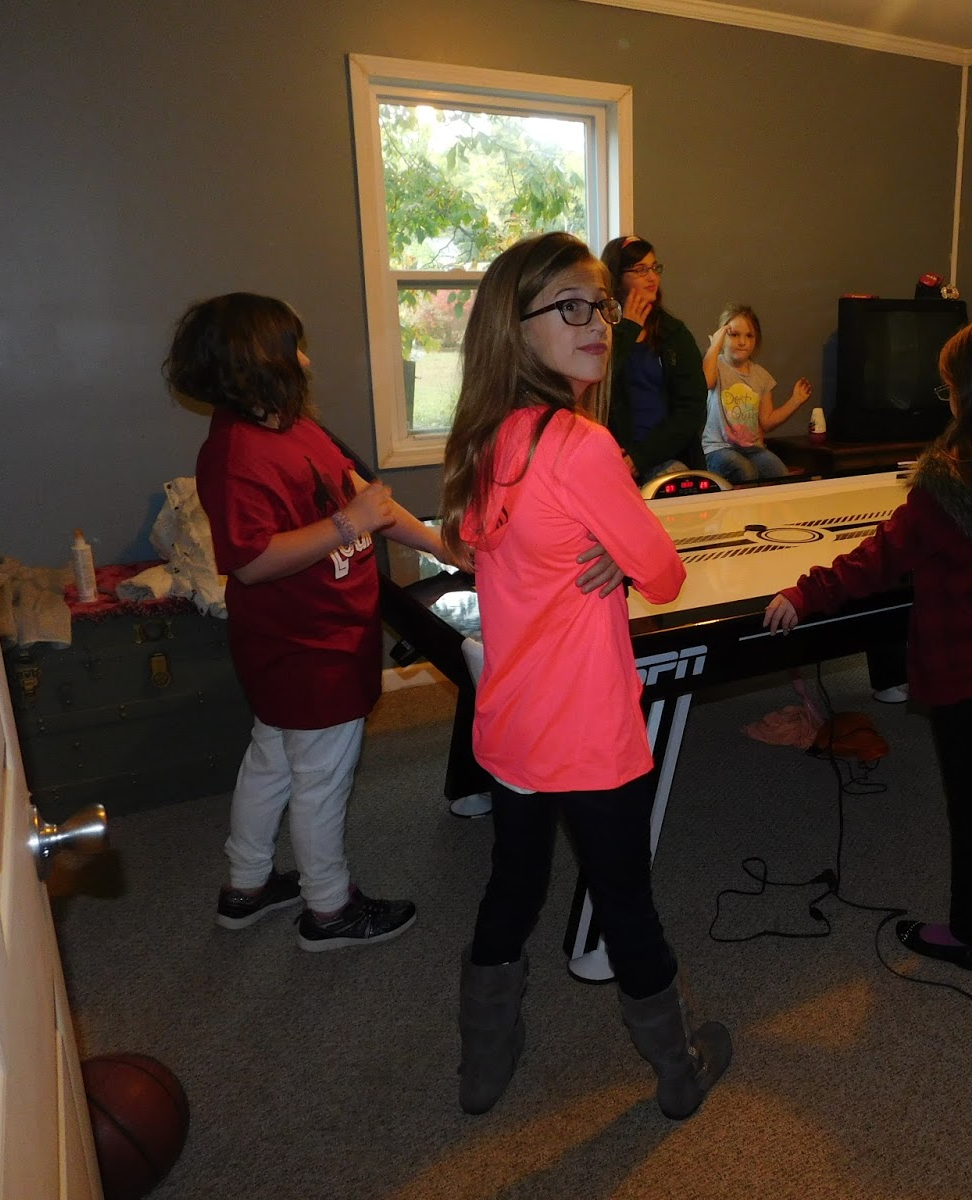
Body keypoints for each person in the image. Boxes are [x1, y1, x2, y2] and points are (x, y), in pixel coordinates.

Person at [439, 231, 731, 1119]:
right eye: (571, 306)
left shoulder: (484, 438)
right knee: (626, 903)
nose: (599, 321)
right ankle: (677, 1070)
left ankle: (482, 1065)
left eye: (600, 304)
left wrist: (604, 542)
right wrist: (621, 545)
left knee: (513, 886)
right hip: (590, 731)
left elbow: (481, 544)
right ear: (517, 326)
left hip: (512, 722)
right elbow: (666, 574)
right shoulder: (581, 444)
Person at [764, 318, 972, 972]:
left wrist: (805, 592)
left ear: (970, 391)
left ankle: (967, 934)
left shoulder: (950, 482)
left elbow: (878, 560)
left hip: (971, 668)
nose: (948, 398)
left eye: (949, 386)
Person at [166, 292, 441, 950]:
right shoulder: (235, 453)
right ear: (258, 361)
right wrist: (348, 524)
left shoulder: (294, 427)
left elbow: (367, 499)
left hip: (320, 637)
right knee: (320, 780)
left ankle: (247, 885)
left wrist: (442, 545)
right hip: (306, 647)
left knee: (272, 762)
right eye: (296, 348)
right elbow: (252, 561)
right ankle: (329, 909)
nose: (307, 361)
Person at [600, 235, 707, 480]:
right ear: (617, 277)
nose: (652, 278)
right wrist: (627, 330)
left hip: (665, 457)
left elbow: (691, 408)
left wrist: (641, 457)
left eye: (654, 268)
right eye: (641, 270)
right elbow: (598, 387)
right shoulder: (598, 330)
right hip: (612, 457)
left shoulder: (674, 333)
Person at [700, 303, 811, 483]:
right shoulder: (716, 366)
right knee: (745, 471)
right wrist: (714, 347)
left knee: (780, 472)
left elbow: (767, 422)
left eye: (749, 336)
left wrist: (795, 400)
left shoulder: (761, 376)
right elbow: (706, 381)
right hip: (718, 449)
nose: (742, 342)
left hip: (752, 450)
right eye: (734, 335)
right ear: (722, 335)